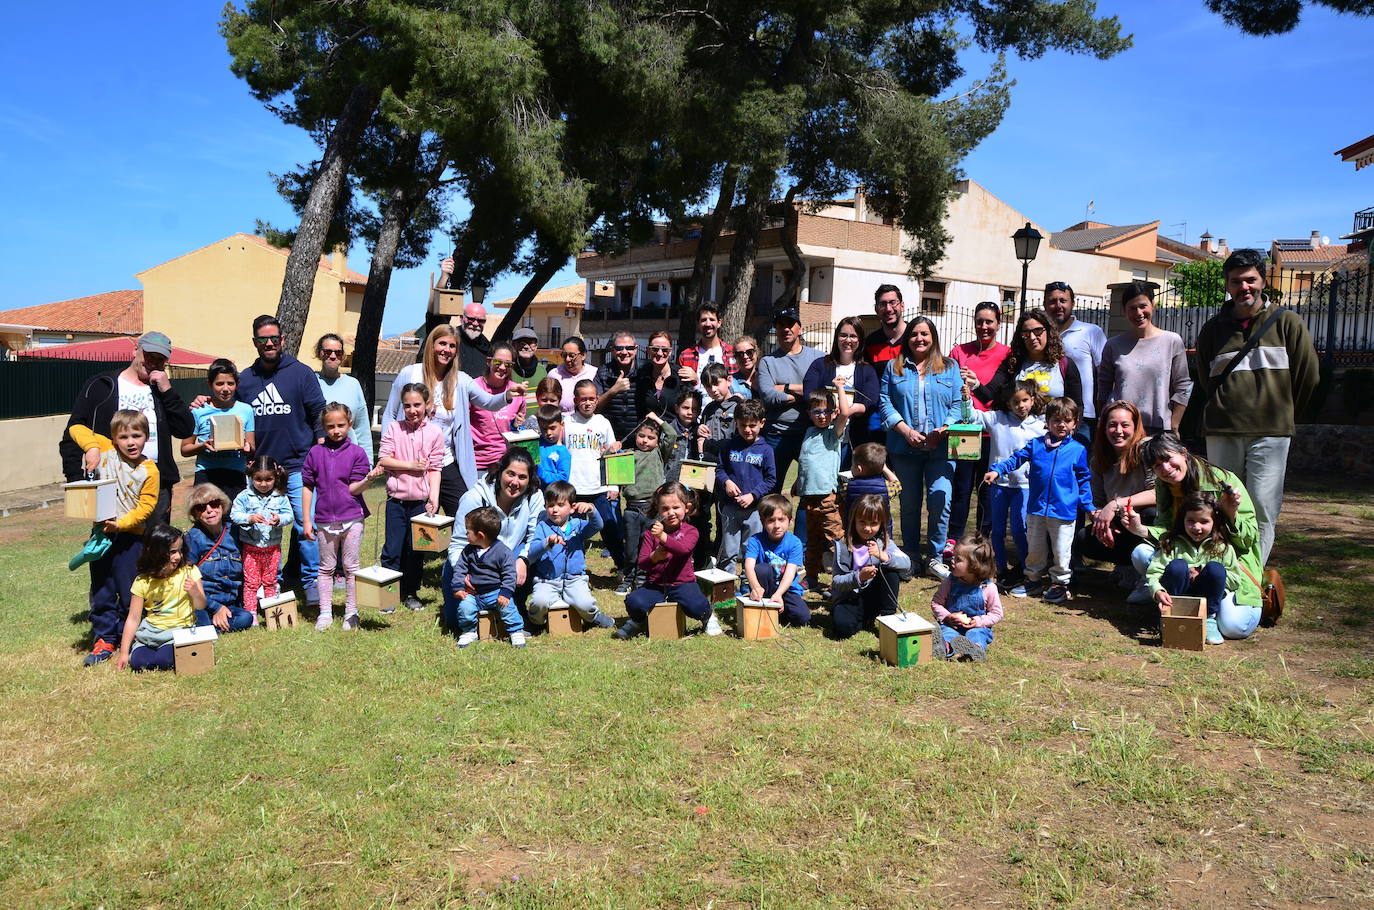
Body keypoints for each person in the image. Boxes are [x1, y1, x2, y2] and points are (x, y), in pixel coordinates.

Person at [1194, 248, 1319, 565]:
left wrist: (1283, 414)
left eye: (1250, 280)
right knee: (1223, 504)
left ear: (1263, 280)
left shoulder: (1287, 323)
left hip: (1271, 432)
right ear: (1228, 285)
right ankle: (1224, 570)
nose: (1243, 287)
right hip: (1223, 430)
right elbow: (1207, 379)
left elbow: (1308, 376)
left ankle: (1252, 577)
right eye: (1236, 281)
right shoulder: (1213, 329)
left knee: (1262, 507)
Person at [1122, 433, 1265, 638]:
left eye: (1167, 459)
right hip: (1183, 555)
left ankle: (1204, 609)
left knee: (1235, 627)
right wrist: (1141, 530)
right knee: (1141, 553)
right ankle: (1172, 603)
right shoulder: (1165, 485)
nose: (1165, 469)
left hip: (1222, 561)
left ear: (1184, 453)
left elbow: (1249, 540)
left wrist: (1230, 513)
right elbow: (1169, 531)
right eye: (1156, 466)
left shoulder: (1223, 481)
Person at [61, 330, 194, 526]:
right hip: (111, 481)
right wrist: (76, 478)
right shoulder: (102, 385)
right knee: (111, 546)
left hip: (154, 480)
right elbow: (74, 429)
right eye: (149, 356)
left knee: (155, 547)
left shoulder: (162, 390)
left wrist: (167, 391)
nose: (153, 363)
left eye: (160, 359)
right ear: (135, 351)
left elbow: (185, 429)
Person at [236, 316, 327, 604]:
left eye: (274, 338)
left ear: (283, 340)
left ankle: (311, 582)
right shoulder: (245, 380)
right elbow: (231, 412)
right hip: (260, 470)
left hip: (298, 465)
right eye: (263, 340)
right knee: (255, 525)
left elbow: (318, 414)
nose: (269, 344)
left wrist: (322, 451)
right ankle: (259, 584)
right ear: (255, 343)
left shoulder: (301, 373)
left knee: (305, 524)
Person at [69, 410, 160, 666]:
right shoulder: (106, 449)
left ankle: (127, 637)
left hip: (131, 539)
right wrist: (92, 449)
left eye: (136, 435)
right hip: (101, 537)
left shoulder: (150, 470)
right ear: (114, 438)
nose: (131, 442)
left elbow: (146, 507)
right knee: (102, 588)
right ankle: (104, 638)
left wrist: (121, 524)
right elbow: (76, 428)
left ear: (146, 437)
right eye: (123, 437)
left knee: (129, 591)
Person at [984, 397, 1094, 604]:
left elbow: (1084, 479)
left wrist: (1088, 506)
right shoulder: (1036, 445)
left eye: (1066, 420)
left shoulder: (1078, 450)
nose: (1061, 425)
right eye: (1056, 420)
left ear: (1075, 423)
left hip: (1063, 511)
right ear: (1047, 422)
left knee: (1061, 550)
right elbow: (1015, 459)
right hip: (1036, 508)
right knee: (1035, 549)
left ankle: (1060, 584)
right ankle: (1033, 580)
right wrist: (997, 471)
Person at [879, 316, 963, 579]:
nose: (919, 339)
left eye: (925, 334)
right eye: (914, 334)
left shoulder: (950, 367)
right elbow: (884, 402)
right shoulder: (894, 368)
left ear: (933, 337)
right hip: (905, 448)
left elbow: (959, 403)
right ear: (908, 338)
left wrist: (944, 429)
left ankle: (935, 557)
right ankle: (912, 555)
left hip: (941, 448)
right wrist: (903, 429)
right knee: (909, 503)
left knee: (941, 498)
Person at [441, 449, 544, 632]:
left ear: (529, 480)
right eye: (510, 474)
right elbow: (457, 543)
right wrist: (462, 573)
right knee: (454, 623)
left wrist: (524, 560)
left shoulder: (534, 496)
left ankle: (515, 606)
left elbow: (535, 536)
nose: (514, 482)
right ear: (500, 472)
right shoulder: (474, 497)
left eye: (522, 477)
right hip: (472, 559)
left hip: (507, 558)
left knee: (537, 552)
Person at [302, 402, 380, 630]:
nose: (336, 430)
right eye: (330, 426)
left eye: (341, 425)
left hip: (352, 518)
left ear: (350, 424)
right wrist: (307, 519)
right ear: (323, 427)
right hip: (324, 520)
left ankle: (351, 612)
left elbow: (353, 489)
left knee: (350, 566)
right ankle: (325, 612)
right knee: (326, 567)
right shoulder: (315, 453)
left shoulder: (357, 453)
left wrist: (368, 479)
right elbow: (307, 486)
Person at [615, 482, 719, 639]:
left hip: (682, 583)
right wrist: (654, 557)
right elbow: (642, 562)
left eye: (676, 507)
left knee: (696, 605)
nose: (671, 513)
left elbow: (682, 549)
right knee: (634, 601)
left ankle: (708, 617)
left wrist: (663, 537)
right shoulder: (652, 533)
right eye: (665, 508)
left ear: (687, 508)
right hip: (655, 585)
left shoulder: (691, 531)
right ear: (658, 509)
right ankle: (637, 621)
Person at [971, 380, 1045, 595]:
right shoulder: (997, 419)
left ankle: (1025, 568)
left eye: (1025, 400)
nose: (1020, 405)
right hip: (999, 484)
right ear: (1008, 403)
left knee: (1020, 529)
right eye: (1015, 402)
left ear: (1032, 400)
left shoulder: (1040, 426)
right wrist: (967, 396)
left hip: (1025, 485)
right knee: (997, 530)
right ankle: (999, 568)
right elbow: (973, 416)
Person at [1079, 400, 1157, 603]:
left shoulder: (1146, 449)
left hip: (1147, 523)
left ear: (1135, 427)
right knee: (1083, 538)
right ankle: (1127, 566)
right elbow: (1095, 502)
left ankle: (1147, 576)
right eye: (1112, 425)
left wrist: (1115, 504)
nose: (1118, 431)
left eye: (1125, 425)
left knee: (1149, 513)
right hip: (1118, 525)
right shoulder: (1099, 458)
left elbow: (1158, 493)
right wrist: (1100, 521)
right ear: (1104, 428)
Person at [377, 383, 445, 613]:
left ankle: (411, 592)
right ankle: (388, 596)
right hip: (396, 502)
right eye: (407, 405)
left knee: (416, 550)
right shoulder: (394, 429)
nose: (412, 410)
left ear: (427, 405)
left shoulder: (435, 432)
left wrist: (433, 498)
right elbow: (384, 459)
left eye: (417, 405)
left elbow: (435, 468)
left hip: (419, 503)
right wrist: (410, 466)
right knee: (392, 550)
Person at [948, 302, 1012, 544]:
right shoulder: (959, 352)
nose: (984, 327)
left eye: (989, 322)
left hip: (992, 433)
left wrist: (978, 386)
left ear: (998, 324)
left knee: (986, 489)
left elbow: (1003, 395)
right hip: (964, 431)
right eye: (979, 321)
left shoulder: (1006, 354)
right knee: (961, 488)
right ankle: (953, 539)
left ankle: (983, 540)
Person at [1144, 492, 1242, 646]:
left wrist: (1201, 571)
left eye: (1204, 521)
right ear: (1182, 519)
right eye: (1191, 521)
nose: (1196, 527)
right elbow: (1154, 572)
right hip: (1177, 597)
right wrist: (1158, 591)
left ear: (1214, 522)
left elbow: (1236, 579)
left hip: (1207, 598)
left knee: (1216, 569)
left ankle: (1208, 619)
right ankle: (1171, 618)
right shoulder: (1172, 543)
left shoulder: (1223, 547)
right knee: (1177, 566)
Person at [1095, 283, 1191, 435]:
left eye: (1143, 306)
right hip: (1123, 431)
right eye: (1132, 308)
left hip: (1159, 429)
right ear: (1124, 310)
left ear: (1153, 305)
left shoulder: (1172, 341)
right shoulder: (1113, 345)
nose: (1139, 313)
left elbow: (1184, 386)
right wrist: (1104, 421)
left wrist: (1174, 424)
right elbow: (1103, 388)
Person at [526, 480, 617, 630]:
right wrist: (546, 543)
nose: (555, 510)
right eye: (550, 505)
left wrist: (592, 510)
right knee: (538, 602)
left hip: (574, 579)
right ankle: (535, 623)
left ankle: (593, 617)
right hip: (547, 580)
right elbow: (532, 552)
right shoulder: (542, 527)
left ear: (572, 508)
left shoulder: (577, 526)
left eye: (560, 505)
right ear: (544, 507)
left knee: (585, 603)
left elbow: (598, 525)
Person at [116, 524, 206, 672]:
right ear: (156, 553)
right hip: (150, 634)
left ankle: (164, 653)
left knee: (163, 661)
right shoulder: (142, 581)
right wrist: (124, 653)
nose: (178, 556)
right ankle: (141, 651)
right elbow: (133, 618)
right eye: (172, 552)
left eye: (180, 550)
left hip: (178, 632)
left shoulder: (189, 572)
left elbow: (201, 605)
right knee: (138, 663)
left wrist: (195, 592)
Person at [566, 378, 626, 588]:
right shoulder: (567, 422)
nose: (588, 403)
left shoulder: (603, 422)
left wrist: (614, 485)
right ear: (575, 400)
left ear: (597, 399)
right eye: (583, 399)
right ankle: (573, 572)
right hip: (573, 489)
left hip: (599, 488)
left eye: (592, 398)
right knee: (572, 533)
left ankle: (623, 569)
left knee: (610, 530)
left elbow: (614, 454)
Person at [758, 308, 824, 495]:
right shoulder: (768, 362)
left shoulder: (817, 357)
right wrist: (805, 394)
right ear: (776, 330)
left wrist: (785, 387)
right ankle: (772, 525)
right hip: (776, 434)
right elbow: (768, 396)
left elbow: (821, 393)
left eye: (790, 324)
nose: (785, 329)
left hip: (809, 432)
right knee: (771, 490)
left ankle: (804, 526)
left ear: (800, 329)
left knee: (812, 488)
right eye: (781, 325)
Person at [827, 493, 910, 639]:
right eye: (862, 522)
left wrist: (884, 556)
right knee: (843, 629)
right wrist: (858, 577)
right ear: (854, 520)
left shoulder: (883, 543)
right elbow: (836, 582)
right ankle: (860, 619)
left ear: (881, 524)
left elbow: (906, 563)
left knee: (890, 570)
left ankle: (887, 619)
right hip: (850, 598)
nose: (867, 528)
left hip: (874, 597)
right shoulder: (843, 545)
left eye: (873, 524)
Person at [793, 379, 850, 591]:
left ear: (833, 413)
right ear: (809, 413)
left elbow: (845, 413)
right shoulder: (809, 433)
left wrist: (840, 388)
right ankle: (811, 576)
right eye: (817, 412)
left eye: (827, 411)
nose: (822, 416)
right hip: (809, 498)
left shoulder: (833, 434)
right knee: (814, 541)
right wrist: (798, 482)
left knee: (835, 540)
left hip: (828, 498)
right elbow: (807, 461)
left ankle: (845, 576)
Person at [971, 309, 1083, 415]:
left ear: (1048, 332)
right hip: (1018, 432)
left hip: (1052, 433)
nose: (1032, 337)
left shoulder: (1064, 364)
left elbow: (1076, 405)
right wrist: (975, 384)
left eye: (1038, 331)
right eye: (1026, 333)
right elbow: (990, 395)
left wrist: (1071, 431)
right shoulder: (1013, 364)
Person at [617, 414, 679, 589]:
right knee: (630, 547)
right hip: (631, 509)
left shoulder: (659, 452)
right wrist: (612, 449)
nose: (645, 441)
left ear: (657, 440)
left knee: (649, 545)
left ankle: (643, 576)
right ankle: (628, 577)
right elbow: (610, 465)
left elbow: (672, 434)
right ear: (635, 436)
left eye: (651, 438)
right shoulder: (628, 455)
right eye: (641, 436)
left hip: (652, 508)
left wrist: (657, 420)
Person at [803, 316, 881, 452]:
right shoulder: (819, 365)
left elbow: (872, 401)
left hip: (855, 440)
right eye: (843, 335)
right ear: (836, 337)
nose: (848, 340)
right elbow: (809, 395)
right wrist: (829, 409)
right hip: (823, 438)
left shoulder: (867, 370)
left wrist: (850, 410)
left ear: (860, 340)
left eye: (853, 336)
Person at [716, 399, 776, 574]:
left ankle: (747, 584)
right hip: (730, 508)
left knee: (750, 549)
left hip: (754, 510)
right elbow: (720, 469)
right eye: (743, 425)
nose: (747, 430)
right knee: (729, 549)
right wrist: (726, 482)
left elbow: (771, 479)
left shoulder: (766, 450)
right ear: (736, 423)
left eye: (752, 425)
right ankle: (725, 587)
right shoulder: (729, 446)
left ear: (762, 423)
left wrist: (753, 495)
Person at [182, 358, 256, 503]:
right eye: (219, 383)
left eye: (230, 383)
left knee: (235, 520)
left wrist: (246, 447)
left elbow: (252, 447)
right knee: (207, 520)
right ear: (210, 384)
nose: (225, 388)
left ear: (237, 384)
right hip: (206, 473)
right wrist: (203, 446)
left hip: (235, 474)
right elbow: (185, 449)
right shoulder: (198, 411)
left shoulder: (245, 410)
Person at [230, 456, 294, 620]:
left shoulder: (280, 496)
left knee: (270, 581)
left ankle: (272, 613)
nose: (263, 484)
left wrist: (279, 519)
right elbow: (234, 514)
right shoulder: (244, 496)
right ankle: (251, 614)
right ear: (251, 477)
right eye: (258, 479)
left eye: (268, 479)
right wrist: (249, 518)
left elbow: (289, 515)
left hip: (273, 549)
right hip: (251, 548)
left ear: (276, 477)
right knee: (251, 583)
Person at [452, 506, 525, 648]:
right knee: (464, 608)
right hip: (473, 594)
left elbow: (509, 575)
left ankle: (516, 630)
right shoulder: (468, 551)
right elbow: (460, 569)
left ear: (480, 535)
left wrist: (505, 593)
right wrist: (458, 587)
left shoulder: (503, 552)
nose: (466, 535)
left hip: (495, 592)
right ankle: (469, 631)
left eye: (468, 532)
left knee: (507, 607)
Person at [185, 484, 254, 633]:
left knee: (246, 618)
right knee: (200, 616)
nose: (209, 510)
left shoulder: (236, 532)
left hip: (231, 603)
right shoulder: (193, 539)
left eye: (214, 504)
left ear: (222, 506)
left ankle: (208, 629)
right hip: (203, 602)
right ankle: (207, 628)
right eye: (201, 508)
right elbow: (187, 579)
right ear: (196, 514)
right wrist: (215, 608)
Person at [1043, 281, 1106, 441]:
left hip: (1082, 418)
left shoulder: (1091, 331)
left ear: (1073, 303)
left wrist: (1103, 412)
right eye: (1052, 301)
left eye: (1063, 301)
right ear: (1045, 304)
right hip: (1044, 418)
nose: (1058, 306)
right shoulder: (1039, 335)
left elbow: (1105, 374)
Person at [930, 534, 1003, 661]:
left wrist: (979, 621)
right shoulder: (950, 582)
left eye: (958, 560)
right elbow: (936, 603)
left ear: (974, 566)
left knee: (976, 634)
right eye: (953, 557)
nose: (952, 561)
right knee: (947, 633)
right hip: (952, 625)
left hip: (977, 627)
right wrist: (947, 616)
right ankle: (944, 648)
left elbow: (996, 613)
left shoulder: (987, 588)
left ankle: (975, 650)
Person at [744, 494, 809, 627]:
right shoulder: (755, 541)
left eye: (781, 519)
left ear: (790, 520)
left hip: (787, 588)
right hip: (765, 587)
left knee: (803, 618)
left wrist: (779, 594)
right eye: (771, 520)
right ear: (763, 522)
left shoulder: (794, 543)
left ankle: (780, 611)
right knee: (761, 569)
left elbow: (790, 572)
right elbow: (749, 566)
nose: (777, 525)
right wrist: (756, 587)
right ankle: (764, 606)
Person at [314, 334, 374, 464]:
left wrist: (368, 463)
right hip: (319, 460)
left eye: (338, 352)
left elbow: (361, 428)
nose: (333, 356)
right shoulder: (311, 382)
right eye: (328, 351)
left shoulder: (353, 384)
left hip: (349, 460)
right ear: (319, 353)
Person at [469, 343, 526, 472]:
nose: (502, 367)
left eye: (508, 364)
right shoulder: (474, 388)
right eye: (497, 362)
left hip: (506, 463)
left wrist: (517, 424)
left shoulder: (516, 391)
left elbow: (519, 428)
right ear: (488, 362)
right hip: (478, 463)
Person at [677, 303, 735, 394]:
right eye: (704, 320)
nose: (708, 324)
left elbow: (737, 384)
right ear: (698, 324)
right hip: (698, 407)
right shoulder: (686, 355)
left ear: (719, 323)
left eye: (712, 319)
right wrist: (695, 381)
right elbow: (681, 390)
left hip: (726, 407)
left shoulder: (732, 353)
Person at [596, 331, 642, 439]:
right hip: (611, 438)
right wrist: (613, 391)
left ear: (635, 349)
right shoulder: (603, 372)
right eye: (619, 348)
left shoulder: (645, 371)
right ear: (612, 350)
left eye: (629, 348)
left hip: (640, 439)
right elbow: (595, 408)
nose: (624, 352)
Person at [843, 442, 896, 528]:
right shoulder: (886, 487)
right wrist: (885, 468)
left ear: (859, 469)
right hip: (881, 534)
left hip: (855, 532)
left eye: (852, 464)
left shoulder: (847, 487)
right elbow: (897, 484)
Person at [636, 330, 683, 422]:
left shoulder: (681, 377)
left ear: (670, 352)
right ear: (648, 350)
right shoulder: (641, 376)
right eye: (655, 349)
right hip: (649, 433)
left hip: (674, 433)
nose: (660, 353)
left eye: (664, 350)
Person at [864, 284, 908, 374]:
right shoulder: (870, 342)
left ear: (902, 306)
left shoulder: (915, 338)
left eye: (893, 302)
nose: (888, 309)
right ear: (876, 309)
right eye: (883, 304)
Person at [550, 337, 599, 413]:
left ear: (583, 355)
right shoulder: (554, 375)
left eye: (572, 355)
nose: (567, 359)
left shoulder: (594, 374)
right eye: (564, 355)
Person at [456, 301, 494, 378]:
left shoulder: (487, 347)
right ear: (461, 318)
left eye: (481, 321)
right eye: (471, 319)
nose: (475, 324)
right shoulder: (451, 340)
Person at [534, 405, 571, 485]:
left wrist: (539, 471)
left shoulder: (562, 452)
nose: (548, 433)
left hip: (550, 495)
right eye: (544, 429)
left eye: (552, 428)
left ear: (562, 425)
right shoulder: (536, 443)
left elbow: (563, 478)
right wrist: (515, 425)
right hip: (533, 493)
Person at [510, 327, 548, 398]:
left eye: (530, 343)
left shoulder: (542, 370)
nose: (526, 346)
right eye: (522, 343)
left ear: (536, 346)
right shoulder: (507, 370)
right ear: (513, 345)